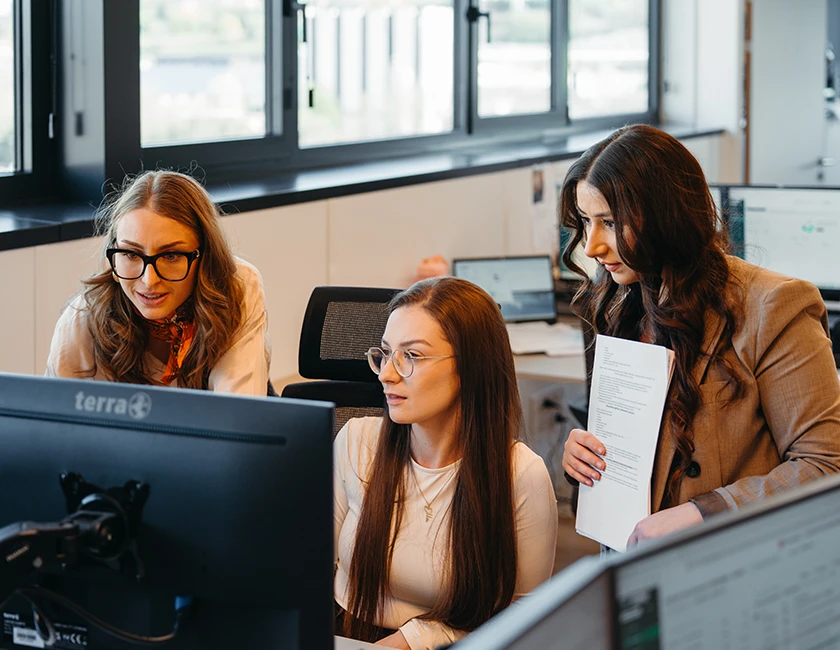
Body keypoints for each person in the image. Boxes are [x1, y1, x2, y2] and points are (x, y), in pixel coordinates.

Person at [560, 124, 840, 549]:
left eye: (611, 222)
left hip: (733, 563)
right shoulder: (621, 302)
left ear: (665, 216)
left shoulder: (773, 305)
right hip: (634, 562)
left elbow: (826, 465)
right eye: (585, 222)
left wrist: (704, 513)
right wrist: (586, 457)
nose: (594, 246)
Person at [333, 277, 558, 649]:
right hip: (348, 636)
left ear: (471, 366)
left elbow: (523, 618)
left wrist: (412, 639)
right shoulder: (358, 441)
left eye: (413, 356)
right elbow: (307, 564)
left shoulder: (520, 475)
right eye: (386, 353)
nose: (387, 373)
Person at [46, 170, 271, 395]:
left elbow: (236, 417)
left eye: (171, 256)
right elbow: (52, 419)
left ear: (204, 259)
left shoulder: (236, 286)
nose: (149, 280)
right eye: (132, 254)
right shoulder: (83, 318)